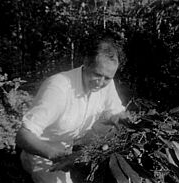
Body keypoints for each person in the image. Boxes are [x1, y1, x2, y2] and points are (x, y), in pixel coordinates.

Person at [16, 33, 127, 183]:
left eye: (107, 78)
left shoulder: (105, 82)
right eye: (97, 74)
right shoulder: (58, 88)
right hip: (43, 150)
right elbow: (23, 136)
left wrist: (134, 127)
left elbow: (117, 113)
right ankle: (26, 164)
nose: (100, 83)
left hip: (73, 143)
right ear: (86, 62)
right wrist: (56, 155)